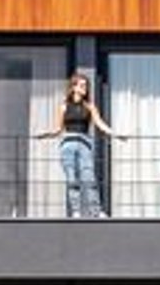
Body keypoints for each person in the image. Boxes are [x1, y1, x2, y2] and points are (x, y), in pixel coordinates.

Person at [38, 69, 114, 217]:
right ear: (73, 87)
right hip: (68, 143)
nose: (84, 88)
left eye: (85, 86)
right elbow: (58, 129)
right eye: (81, 85)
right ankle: (76, 211)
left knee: (89, 178)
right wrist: (45, 134)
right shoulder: (64, 106)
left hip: (85, 143)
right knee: (72, 179)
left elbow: (100, 124)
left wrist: (115, 134)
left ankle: (96, 211)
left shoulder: (89, 106)